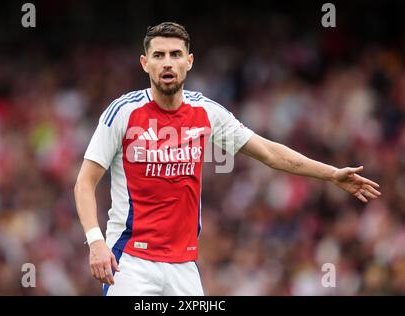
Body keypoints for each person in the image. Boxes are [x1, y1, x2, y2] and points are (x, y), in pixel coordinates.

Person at [73, 22, 381, 296]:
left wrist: (330, 174)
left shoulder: (207, 112)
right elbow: (85, 182)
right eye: (159, 55)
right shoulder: (123, 113)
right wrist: (96, 241)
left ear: (189, 61)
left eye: (176, 54)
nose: (168, 63)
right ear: (145, 63)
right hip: (131, 261)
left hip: (184, 266)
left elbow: (269, 153)